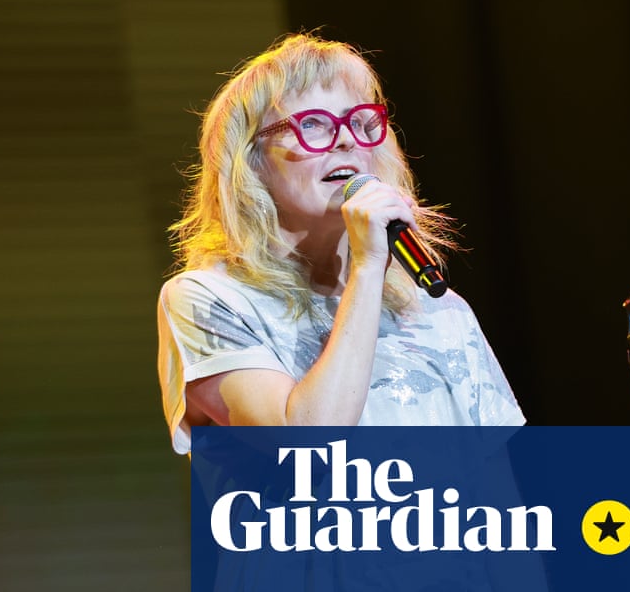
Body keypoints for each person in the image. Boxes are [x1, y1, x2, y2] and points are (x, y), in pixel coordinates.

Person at [156, 33, 525, 455]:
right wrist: (367, 269)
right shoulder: (211, 300)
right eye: (312, 124)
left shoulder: (438, 309)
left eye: (360, 123)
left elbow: (497, 476)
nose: (347, 140)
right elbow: (307, 446)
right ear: (250, 163)